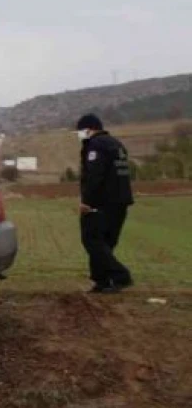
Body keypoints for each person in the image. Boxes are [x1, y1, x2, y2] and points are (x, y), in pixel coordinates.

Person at [76, 114, 134, 293]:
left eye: (81, 131)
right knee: (105, 244)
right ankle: (102, 281)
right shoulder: (117, 144)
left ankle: (120, 276)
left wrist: (86, 202)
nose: (79, 134)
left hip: (101, 203)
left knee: (92, 240)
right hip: (120, 202)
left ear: (89, 128)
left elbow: (95, 176)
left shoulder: (96, 145)